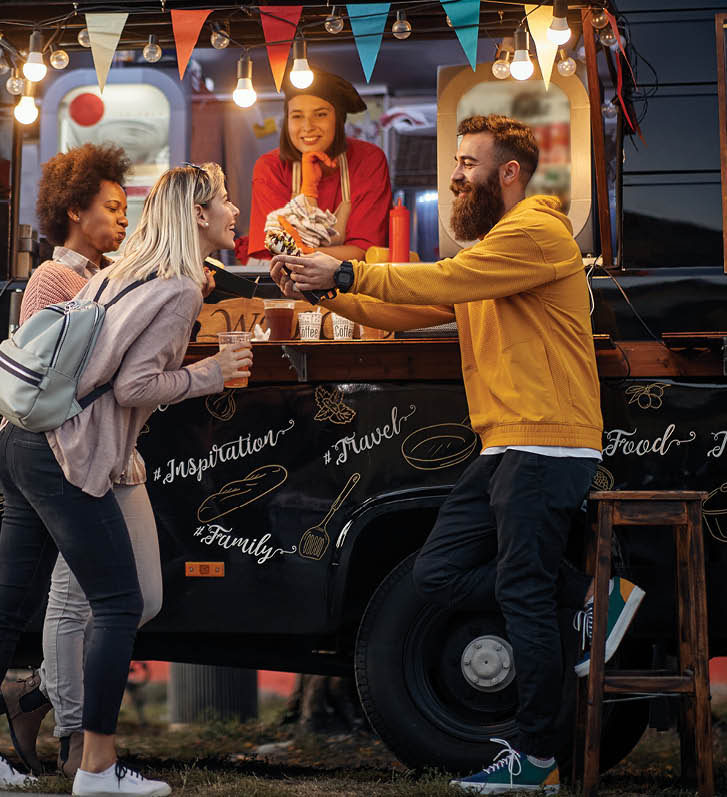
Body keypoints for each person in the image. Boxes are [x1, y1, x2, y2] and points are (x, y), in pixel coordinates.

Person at [271, 114, 644, 794]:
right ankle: (594, 599)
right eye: (456, 161)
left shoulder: (535, 230)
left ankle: (535, 760)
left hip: (545, 441)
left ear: (509, 172)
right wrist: (327, 290)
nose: (454, 174)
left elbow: (437, 281)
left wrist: (348, 266)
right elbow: (412, 309)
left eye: (468, 162)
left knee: (522, 598)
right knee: (438, 574)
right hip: (506, 444)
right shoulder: (492, 252)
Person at [0, 162, 250, 797]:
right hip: (65, 455)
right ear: (196, 214)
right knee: (119, 602)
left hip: (22, 443)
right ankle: (98, 769)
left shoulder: (120, 273)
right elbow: (136, 386)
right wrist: (212, 373)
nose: (234, 211)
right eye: (225, 201)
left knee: (9, 602)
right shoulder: (178, 290)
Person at [0, 142, 165, 781]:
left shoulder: (110, 273)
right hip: (67, 453)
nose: (123, 218)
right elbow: (44, 377)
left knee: (139, 597)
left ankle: (34, 695)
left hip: (115, 453)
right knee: (74, 594)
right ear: (73, 210)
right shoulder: (52, 280)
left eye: (127, 207)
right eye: (112, 207)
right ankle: (73, 736)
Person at [246, 69, 390, 263]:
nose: (308, 126)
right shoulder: (271, 167)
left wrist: (301, 251)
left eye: (320, 114)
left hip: (352, 284)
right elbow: (274, 249)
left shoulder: (368, 160)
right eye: (297, 116)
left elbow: (365, 251)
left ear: (339, 119)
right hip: (285, 287)